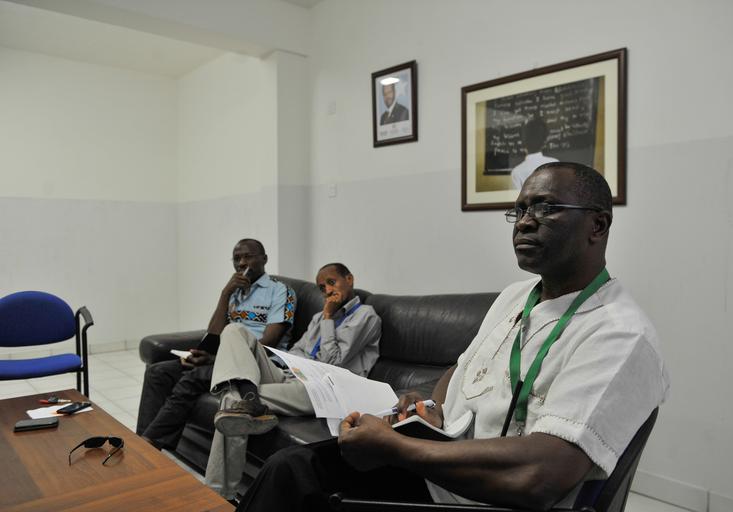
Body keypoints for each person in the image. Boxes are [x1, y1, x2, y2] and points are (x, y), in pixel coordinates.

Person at [235, 163, 670, 512]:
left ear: (598, 225)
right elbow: (463, 367)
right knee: (291, 468)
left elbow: (540, 477)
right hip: (444, 472)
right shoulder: (516, 296)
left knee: (297, 482)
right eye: (519, 210)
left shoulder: (619, 334)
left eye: (545, 208)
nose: (524, 223)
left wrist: (395, 448)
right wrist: (431, 406)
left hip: (485, 499)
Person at [205, 262, 382, 499]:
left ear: (349, 279)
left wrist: (328, 317)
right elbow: (297, 351)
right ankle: (251, 397)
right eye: (322, 288)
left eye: (331, 283)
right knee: (234, 330)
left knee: (231, 399)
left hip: (324, 389)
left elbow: (333, 361)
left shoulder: (366, 316)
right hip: (292, 375)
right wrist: (277, 365)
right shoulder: (317, 318)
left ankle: (217, 495)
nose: (327, 291)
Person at [136, 238, 295, 453]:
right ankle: (141, 443)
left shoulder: (281, 291)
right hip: (224, 358)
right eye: (236, 258)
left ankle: (149, 446)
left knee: (193, 377)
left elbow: (268, 343)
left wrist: (215, 359)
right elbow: (213, 334)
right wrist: (225, 294)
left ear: (264, 259)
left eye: (248, 256)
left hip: (258, 364)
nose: (242, 263)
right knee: (158, 372)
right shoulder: (236, 291)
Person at [511, 116, 558, 190]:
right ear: (544, 142)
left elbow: (516, 197)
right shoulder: (555, 164)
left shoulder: (517, 172)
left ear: (523, 143)